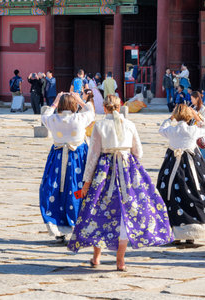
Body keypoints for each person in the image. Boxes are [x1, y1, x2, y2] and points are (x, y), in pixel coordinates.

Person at [67, 95, 172, 270]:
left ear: (105, 108)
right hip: (127, 170)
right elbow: (138, 152)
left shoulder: (99, 125)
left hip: (105, 171)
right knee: (126, 213)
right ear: (119, 106)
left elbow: (93, 156)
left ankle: (96, 257)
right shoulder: (129, 125)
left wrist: (87, 181)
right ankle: (120, 260)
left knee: (98, 210)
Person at [157, 104, 205, 244]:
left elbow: (161, 129)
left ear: (176, 115)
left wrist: (170, 118)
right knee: (195, 193)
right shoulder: (193, 130)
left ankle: (174, 231)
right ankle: (191, 234)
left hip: (173, 164)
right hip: (192, 165)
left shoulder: (171, 130)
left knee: (172, 196)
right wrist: (196, 116)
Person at [39, 92, 95, 242]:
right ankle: (77, 225)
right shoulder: (79, 118)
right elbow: (91, 112)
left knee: (54, 189)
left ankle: (57, 225)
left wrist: (55, 102)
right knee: (76, 190)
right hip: (77, 159)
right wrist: (81, 100)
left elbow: (44, 115)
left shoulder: (53, 119)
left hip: (57, 159)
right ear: (74, 105)